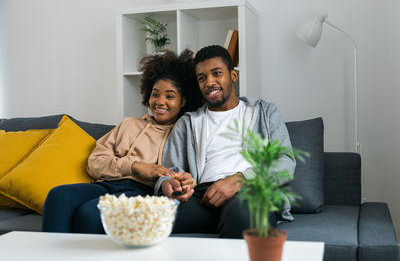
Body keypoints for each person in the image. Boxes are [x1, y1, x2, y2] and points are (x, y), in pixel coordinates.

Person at [42, 49, 202, 233]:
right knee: (58, 196)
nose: (160, 101)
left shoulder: (182, 133)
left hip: (142, 192)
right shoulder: (129, 124)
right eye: (155, 94)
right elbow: (94, 163)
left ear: (184, 101)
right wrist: (135, 166)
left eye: (170, 96)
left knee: (90, 213)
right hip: (105, 184)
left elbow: (185, 175)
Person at [155, 45, 296, 238]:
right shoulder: (188, 122)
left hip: (249, 191)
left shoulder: (265, 112)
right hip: (202, 196)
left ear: (233, 76)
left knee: (243, 215)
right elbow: (169, 169)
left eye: (217, 73)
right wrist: (169, 182)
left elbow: (285, 162)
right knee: (147, 219)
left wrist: (241, 179)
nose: (209, 82)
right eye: (202, 78)